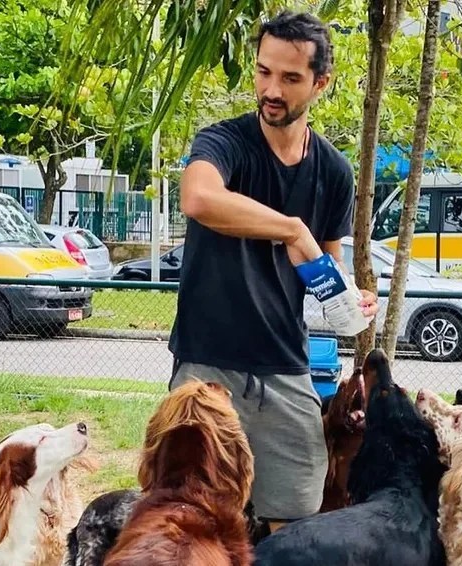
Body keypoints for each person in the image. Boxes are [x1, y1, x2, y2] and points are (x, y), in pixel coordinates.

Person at [167, 11, 379, 531]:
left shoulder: (333, 170)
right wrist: (290, 228)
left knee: (297, 522)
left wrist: (348, 298)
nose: (271, 89)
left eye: (289, 78)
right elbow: (198, 198)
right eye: (264, 72)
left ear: (320, 83)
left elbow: (320, 269)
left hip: (285, 366)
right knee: (188, 523)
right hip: (205, 366)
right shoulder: (225, 143)